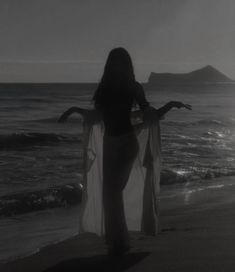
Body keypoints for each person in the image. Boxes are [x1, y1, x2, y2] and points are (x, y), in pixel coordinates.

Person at [58, 47, 191, 256]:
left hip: (128, 144)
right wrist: (74, 110)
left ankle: (120, 242)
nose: (117, 65)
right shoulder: (104, 88)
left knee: (112, 193)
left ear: (126, 64)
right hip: (109, 144)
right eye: (114, 61)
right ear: (110, 64)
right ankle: (116, 242)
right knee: (109, 194)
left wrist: (170, 105)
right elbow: (97, 115)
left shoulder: (134, 87)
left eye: (120, 62)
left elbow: (148, 113)